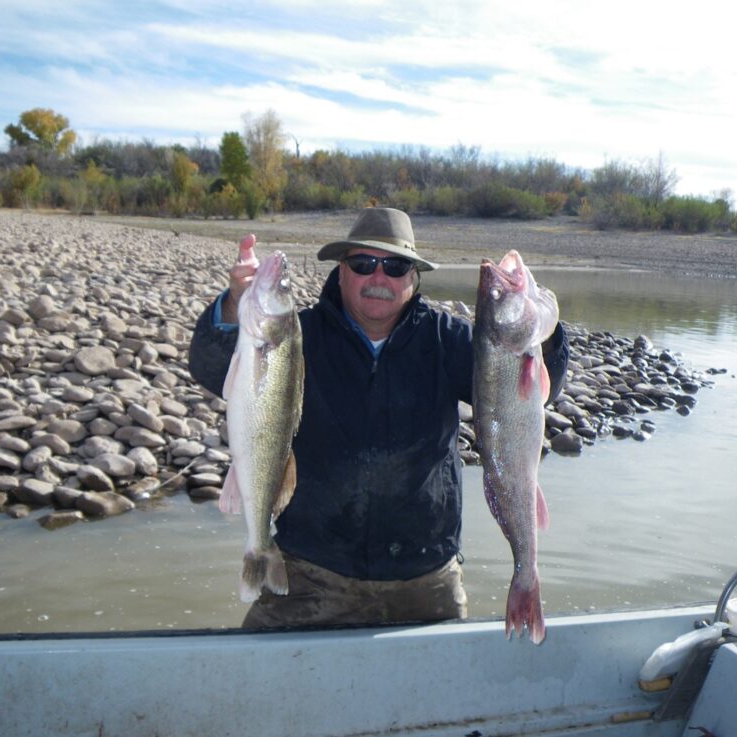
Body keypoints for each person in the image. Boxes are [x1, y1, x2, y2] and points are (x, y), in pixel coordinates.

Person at [188, 207, 569, 629]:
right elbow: (212, 368)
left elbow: (528, 392)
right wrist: (234, 305)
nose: (379, 278)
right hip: (309, 572)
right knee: (258, 666)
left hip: (425, 577)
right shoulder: (296, 335)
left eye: (396, 267)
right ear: (342, 271)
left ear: (413, 278)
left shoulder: (447, 339)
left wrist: (545, 334)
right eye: (363, 264)